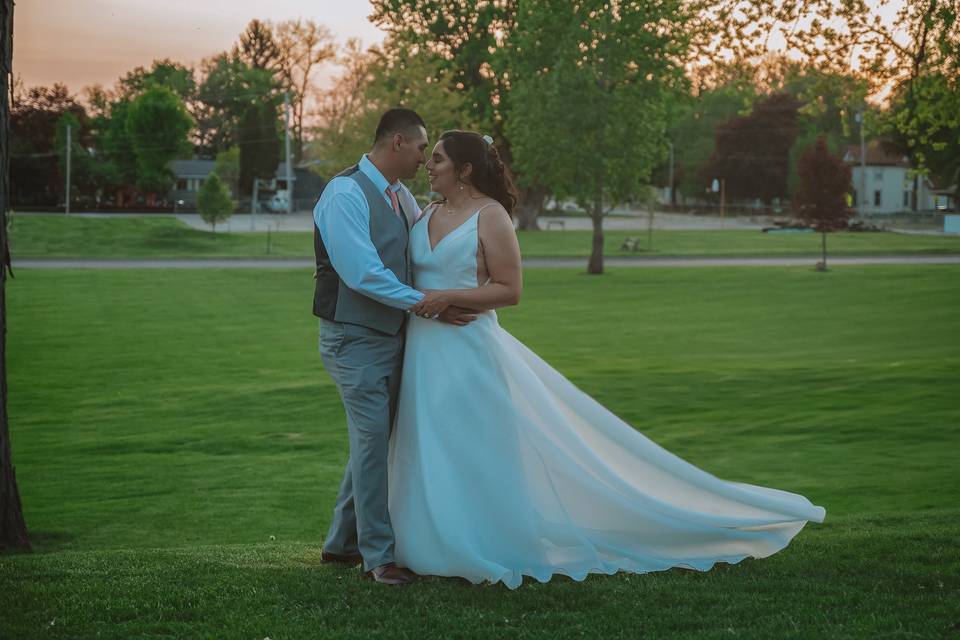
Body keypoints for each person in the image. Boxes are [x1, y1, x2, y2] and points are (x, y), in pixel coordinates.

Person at [387, 130, 826, 589]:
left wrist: (447, 298)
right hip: (424, 349)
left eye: (437, 159)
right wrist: (427, 302)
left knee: (473, 447)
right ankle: (425, 541)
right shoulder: (426, 214)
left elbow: (510, 290)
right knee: (427, 443)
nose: (428, 166)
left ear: (466, 168)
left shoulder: (491, 217)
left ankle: (479, 541)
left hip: (469, 350)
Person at [312, 109, 474, 586]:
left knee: (374, 442)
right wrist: (428, 304)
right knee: (370, 444)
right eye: (423, 148)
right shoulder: (344, 194)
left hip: (394, 336)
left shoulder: (401, 196)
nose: (426, 158)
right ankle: (378, 557)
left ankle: (341, 544)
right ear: (398, 142)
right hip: (352, 337)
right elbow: (361, 272)